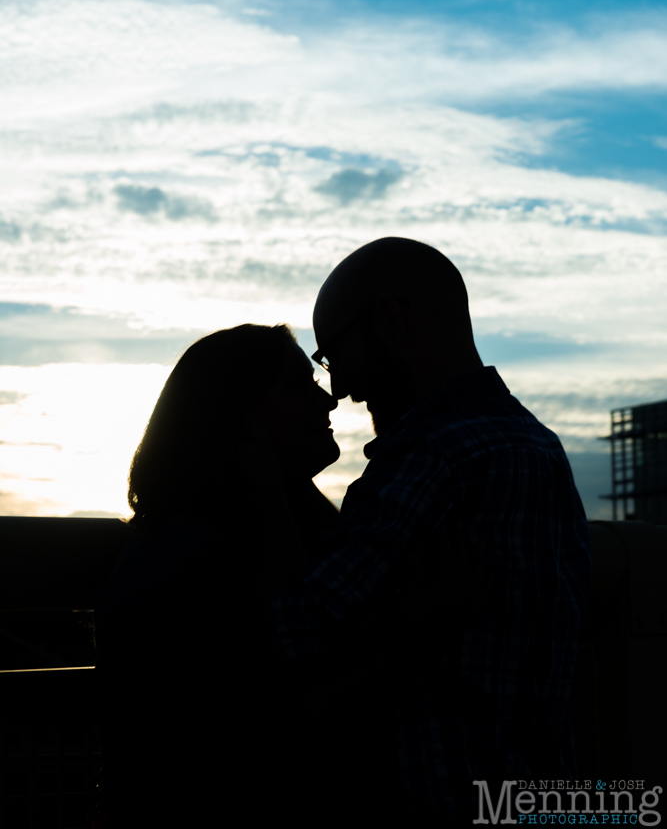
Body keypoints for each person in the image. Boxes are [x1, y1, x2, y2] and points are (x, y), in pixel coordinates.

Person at [273, 237, 592, 827]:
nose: (338, 387)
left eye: (333, 351)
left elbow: (283, 637)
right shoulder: (538, 448)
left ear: (390, 320)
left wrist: (262, 471)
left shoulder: (433, 459)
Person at [93, 323, 340, 828]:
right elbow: (299, 705)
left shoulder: (269, 527)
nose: (329, 401)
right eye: (299, 385)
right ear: (238, 416)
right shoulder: (184, 557)